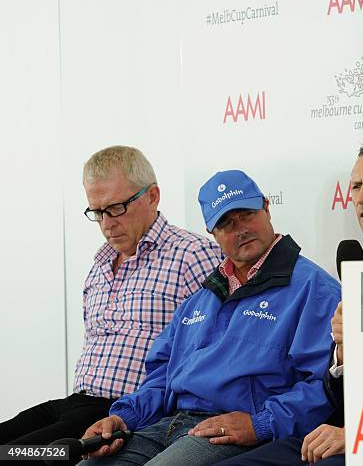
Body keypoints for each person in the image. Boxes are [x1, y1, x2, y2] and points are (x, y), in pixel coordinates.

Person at [79, 170, 340, 466]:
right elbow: (162, 377)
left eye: (246, 214)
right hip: (168, 425)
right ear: (211, 232)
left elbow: (325, 385)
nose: (240, 228)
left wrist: (261, 423)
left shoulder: (315, 289)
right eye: (226, 223)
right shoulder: (202, 298)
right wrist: (122, 417)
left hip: (231, 433)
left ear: (266, 208)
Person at [0, 146, 222, 456]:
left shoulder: (192, 255)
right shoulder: (101, 263)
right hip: (75, 401)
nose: (107, 223)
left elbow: (219, 347)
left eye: (116, 208)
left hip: (121, 412)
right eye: (97, 212)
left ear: (153, 196)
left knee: (14, 456)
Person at [218, 142, 363, 465]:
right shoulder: (359, 268)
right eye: (356, 186)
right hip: (347, 427)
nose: (362, 197)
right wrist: (342, 358)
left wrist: (361, 433)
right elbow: (340, 394)